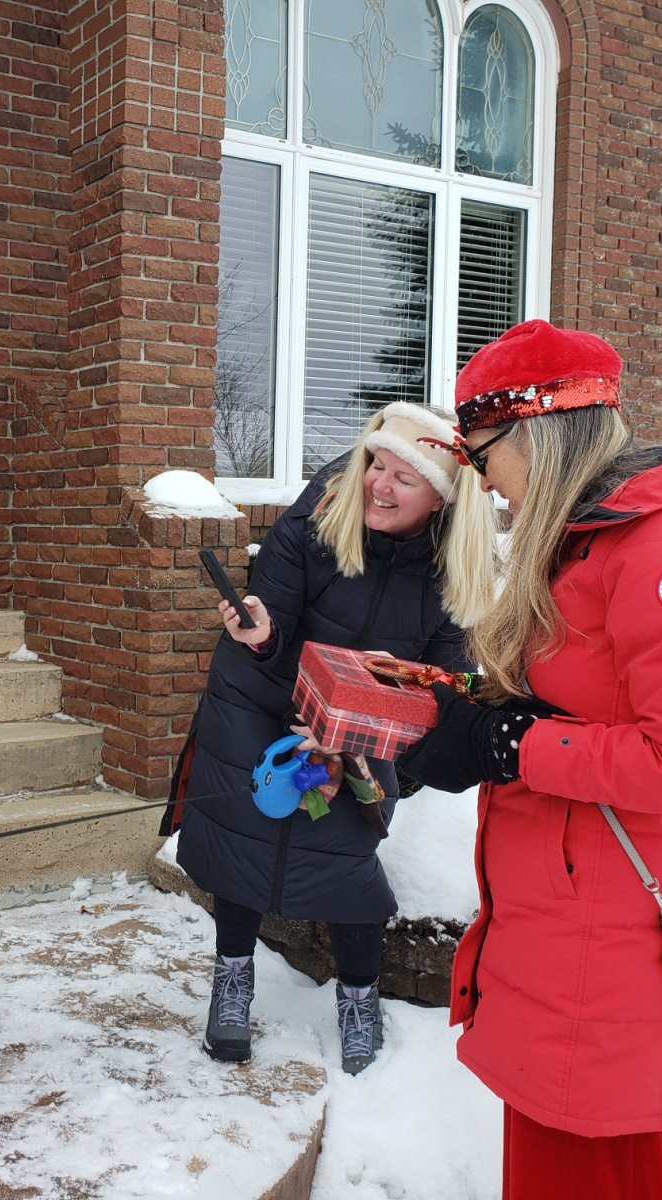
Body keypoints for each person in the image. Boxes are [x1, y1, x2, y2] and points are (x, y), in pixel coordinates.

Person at [398, 320, 662, 1200]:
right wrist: (485, 713)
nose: (483, 482)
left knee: (595, 1171)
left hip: (607, 944)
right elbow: (589, 700)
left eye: (480, 452)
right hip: (565, 925)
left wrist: (516, 743)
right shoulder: (590, 542)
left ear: (533, 435)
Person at [167, 402, 498, 1072]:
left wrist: (354, 728)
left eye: (404, 479)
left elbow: (442, 683)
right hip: (260, 699)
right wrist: (259, 634)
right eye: (377, 462)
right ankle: (232, 979)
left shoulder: (452, 572)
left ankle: (358, 995)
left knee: (347, 864)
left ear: (440, 500)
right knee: (245, 840)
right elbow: (274, 620)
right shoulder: (318, 517)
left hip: (363, 730)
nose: (377, 482)